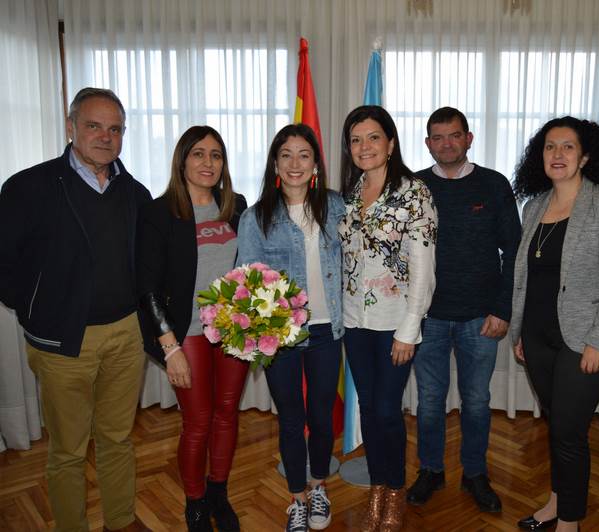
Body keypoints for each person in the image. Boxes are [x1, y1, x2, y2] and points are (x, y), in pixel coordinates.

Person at [0, 88, 152, 532]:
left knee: (118, 438)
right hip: (62, 341)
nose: (105, 136)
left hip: (126, 334)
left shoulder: (134, 192)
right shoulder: (28, 186)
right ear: (71, 128)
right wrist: (35, 310)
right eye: (93, 125)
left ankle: (121, 521)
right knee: (67, 449)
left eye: (114, 128)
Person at [509, 116, 599, 532]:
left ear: (585, 156)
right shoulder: (534, 207)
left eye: (567, 147)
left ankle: (571, 522)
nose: (557, 154)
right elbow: (526, 277)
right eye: (549, 147)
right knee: (555, 423)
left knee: (568, 429)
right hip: (538, 336)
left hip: (586, 338)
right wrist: (520, 331)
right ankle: (556, 503)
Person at [408, 107, 521, 512]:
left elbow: (514, 250)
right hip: (429, 317)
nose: (447, 144)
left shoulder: (493, 184)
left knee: (476, 400)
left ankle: (475, 473)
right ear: (427, 143)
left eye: (454, 135)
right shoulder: (415, 187)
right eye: (437, 137)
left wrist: (502, 309)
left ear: (468, 138)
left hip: (481, 317)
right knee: (430, 401)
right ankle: (431, 470)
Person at [136, 125, 248, 532]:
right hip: (187, 333)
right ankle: (196, 501)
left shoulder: (236, 206)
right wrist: (170, 347)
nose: (208, 162)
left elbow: (250, 270)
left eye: (216, 155)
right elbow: (146, 286)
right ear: (182, 160)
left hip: (233, 332)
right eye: (199, 153)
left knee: (226, 415)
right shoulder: (160, 211)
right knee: (198, 422)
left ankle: (219, 491)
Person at [237, 123, 345, 532]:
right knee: (289, 417)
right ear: (275, 163)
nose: (295, 163)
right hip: (279, 335)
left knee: (320, 415)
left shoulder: (337, 207)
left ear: (315, 162)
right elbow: (246, 281)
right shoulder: (256, 217)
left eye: (303, 154)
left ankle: (319, 487)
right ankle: (297, 498)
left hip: (326, 331)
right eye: (286, 154)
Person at [338, 105, 437, 532]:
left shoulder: (414, 193)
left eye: (373, 137)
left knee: (385, 409)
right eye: (356, 139)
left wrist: (410, 329)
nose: (365, 146)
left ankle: (394, 492)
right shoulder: (349, 193)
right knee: (370, 410)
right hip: (354, 322)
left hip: (396, 324)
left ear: (391, 143)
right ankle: (377, 486)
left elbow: (424, 267)